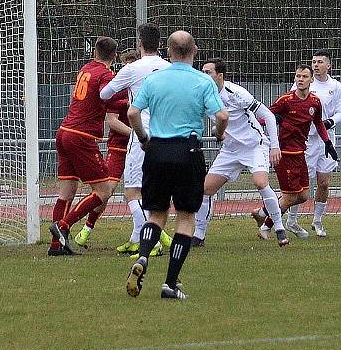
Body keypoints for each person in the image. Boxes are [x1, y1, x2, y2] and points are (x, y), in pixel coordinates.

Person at [125, 31, 228, 300]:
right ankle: (170, 284)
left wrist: (143, 138)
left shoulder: (155, 79)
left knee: (155, 214)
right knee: (186, 218)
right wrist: (218, 133)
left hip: (157, 149)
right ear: (194, 50)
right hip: (187, 150)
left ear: (168, 51)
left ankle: (144, 256)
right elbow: (222, 115)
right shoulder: (202, 82)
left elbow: (133, 113)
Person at [192, 58, 286, 246]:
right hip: (230, 150)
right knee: (205, 189)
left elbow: (267, 115)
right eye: (202, 72)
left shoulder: (236, 93)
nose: (204, 76)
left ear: (220, 76)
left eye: (208, 72)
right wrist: (215, 132)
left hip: (254, 146)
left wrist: (274, 146)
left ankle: (279, 229)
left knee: (260, 183)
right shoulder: (202, 95)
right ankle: (199, 236)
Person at [99, 22, 173, 256]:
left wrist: (127, 85)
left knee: (132, 191)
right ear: (160, 45)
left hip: (143, 135)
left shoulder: (132, 69)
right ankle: (135, 238)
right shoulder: (169, 68)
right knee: (154, 191)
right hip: (168, 135)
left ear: (139, 44)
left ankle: (151, 242)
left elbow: (105, 93)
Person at [47, 37, 125, 256]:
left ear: (95, 53)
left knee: (67, 192)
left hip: (64, 132)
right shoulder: (105, 74)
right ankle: (63, 226)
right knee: (103, 191)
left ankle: (56, 246)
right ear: (115, 56)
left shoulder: (86, 69)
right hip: (81, 136)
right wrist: (130, 101)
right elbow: (106, 96)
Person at [253, 65, 337, 239]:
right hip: (284, 154)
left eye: (304, 76)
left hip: (301, 153)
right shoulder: (285, 100)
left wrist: (327, 143)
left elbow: (319, 123)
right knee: (290, 197)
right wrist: (265, 124)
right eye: (298, 76)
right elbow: (263, 117)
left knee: (303, 195)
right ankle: (266, 228)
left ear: (311, 80)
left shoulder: (314, 102)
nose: (300, 79)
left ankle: (262, 212)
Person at [74, 48, 139, 248]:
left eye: (131, 66)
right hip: (119, 148)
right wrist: (136, 135)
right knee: (106, 190)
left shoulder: (143, 88)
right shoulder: (115, 87)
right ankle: (86, 229)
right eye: (124, 66)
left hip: (141, 148)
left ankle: (148, 236)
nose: (127, 69)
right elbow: (111, 121)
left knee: (143, 192)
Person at [283, 50, 340, 237]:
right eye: (313, 61)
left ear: (328, 66)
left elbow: (339, 110)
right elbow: (290, 104)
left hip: (325, 140)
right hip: (306, 140)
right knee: (300, 184)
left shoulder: (335, 86)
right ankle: (291, 220)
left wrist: (331, 121)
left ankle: (317, 220)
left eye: (320, 62)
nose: (315, 65)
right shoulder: (304, 83)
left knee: (323, 182)